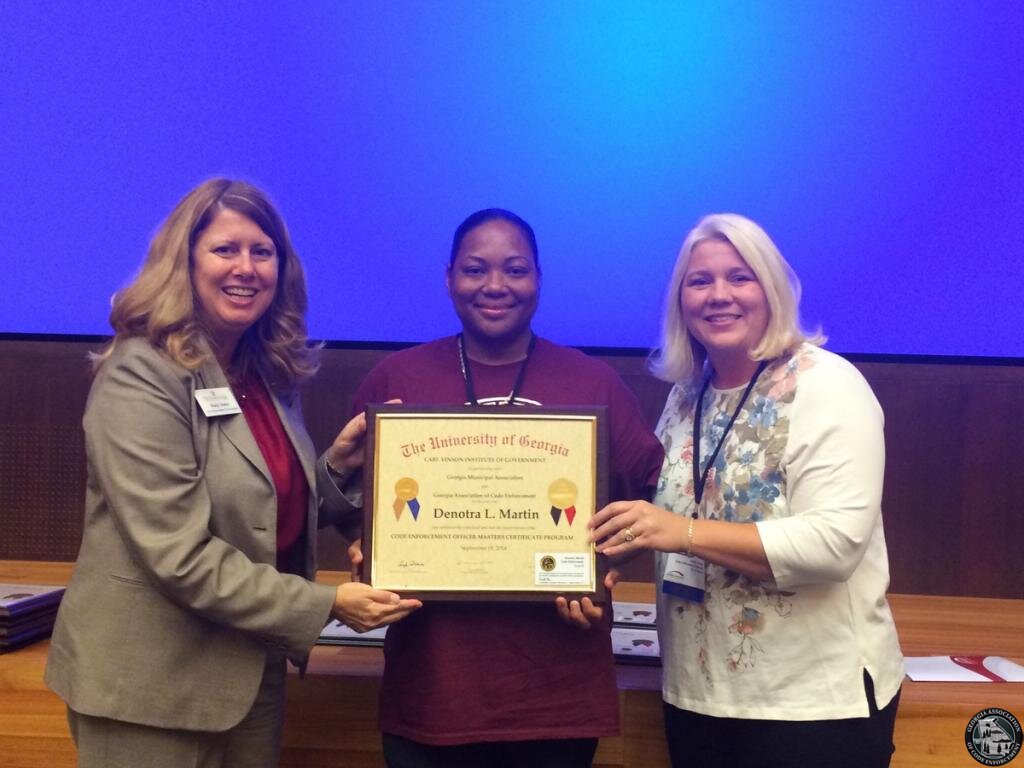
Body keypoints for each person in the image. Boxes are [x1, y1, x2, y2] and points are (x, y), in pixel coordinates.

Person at [44, 178, 421, 768]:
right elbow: (180, 556)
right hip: (148, 689)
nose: (245, 268)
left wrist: (335, 468)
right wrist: (327, 604)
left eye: (262, 252)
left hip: (246, 674)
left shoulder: (260, 371)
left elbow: (258, 510)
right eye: (225, 249)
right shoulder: (141, 374)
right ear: (185, 261)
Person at [324, 208, 665, 768]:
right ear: (449, 278)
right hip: (432, 689)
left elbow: (652, 498)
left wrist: (606, 562)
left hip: (555, 691)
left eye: (515, 269)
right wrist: (368, 545)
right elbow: (348, 496)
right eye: (475, 269)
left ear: (538, 279)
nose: (495, 285)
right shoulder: (395, 379)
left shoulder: (593, 381)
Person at [588, 213, 905, 768]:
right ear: (680, 300)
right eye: (700, 281)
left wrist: (682, 533)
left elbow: (835, 545)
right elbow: (668, 517)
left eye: (740, 277)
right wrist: (600, 561)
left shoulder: (827, 385)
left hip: (813, 708)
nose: (719, 295)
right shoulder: (687, 396)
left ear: (772, 288)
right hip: (697, 695)